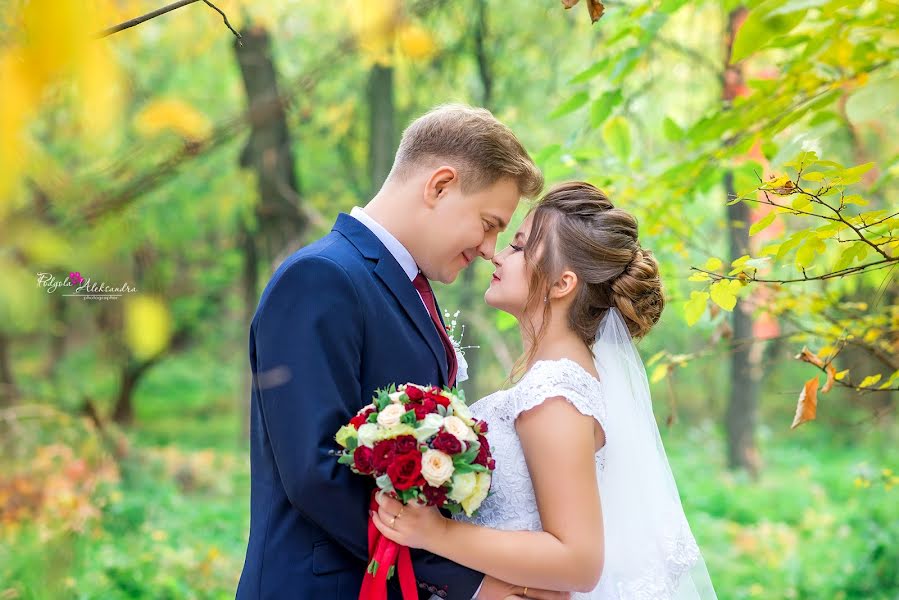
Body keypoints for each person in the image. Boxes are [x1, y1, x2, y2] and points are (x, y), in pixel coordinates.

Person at [371, 182, 718, 599]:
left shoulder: (554, 393)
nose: (497, 254)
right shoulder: (564, 380)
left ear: (561, 283)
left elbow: (578, 562)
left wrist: (437, 533)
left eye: (518, 246)